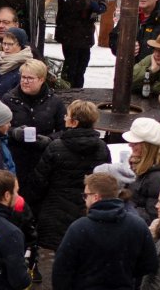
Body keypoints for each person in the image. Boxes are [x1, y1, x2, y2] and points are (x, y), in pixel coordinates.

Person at [30, 99, 110, 250]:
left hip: (55, 211)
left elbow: (39, 181)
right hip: (87, 209)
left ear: (73, 122)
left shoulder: (56, 147)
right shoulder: (101, 148)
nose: (64, 118)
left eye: (67, 116)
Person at [1, 58, 66, 202]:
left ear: (42, 79)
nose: (25, 81)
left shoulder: (55, 102)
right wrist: (14, 132)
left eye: (30, 78)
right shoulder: (8, 99)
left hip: (43, 159)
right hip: (16, 157)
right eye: (23, 77)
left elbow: (65, 130)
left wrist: (49, 139)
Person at [123, 117, 160, 223]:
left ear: (147, 147)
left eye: (135, 143)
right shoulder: (140, 163)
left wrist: (123, 210)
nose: (129, 145)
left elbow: (153, 218)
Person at [55, 0, 105, 89]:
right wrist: (89, 3)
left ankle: (77, 91)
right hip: (70, 35)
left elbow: (102, 3)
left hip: (86, 36)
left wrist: (100, 6)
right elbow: (68, 7)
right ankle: (67, 90)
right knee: (70, 68)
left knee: (81, 67)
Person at [0, 27, 33, 98]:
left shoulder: (27, 66)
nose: (6, 47)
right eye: (4, 43)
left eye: (10, 44)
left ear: (20, 45)